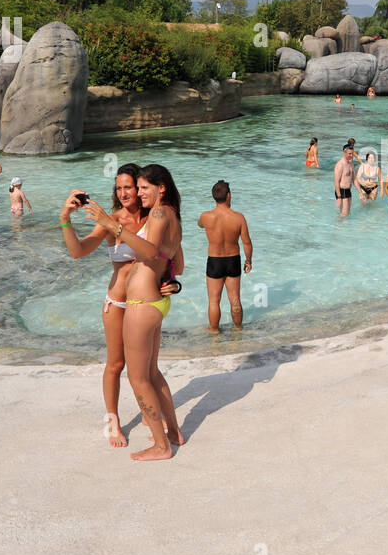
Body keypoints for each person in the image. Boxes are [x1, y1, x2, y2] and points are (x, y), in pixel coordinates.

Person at [60, 165, 179, 449]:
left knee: (149, 368)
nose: (125, 193)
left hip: (147, 302)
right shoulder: (111, 220)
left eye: (130, 187)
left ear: (140, 189)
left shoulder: (155, 216)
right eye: (119, 188)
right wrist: (65, 219)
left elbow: (171, 256)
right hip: (118, 302)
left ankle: (157, 419)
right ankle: (112, 419)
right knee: (116, 363)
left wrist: (173, 283)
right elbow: (78, 252)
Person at [196, 180, 253, 332]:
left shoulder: (206, 216)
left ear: (214, 197)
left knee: (214, 301)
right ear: (228, 195)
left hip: (214, 261)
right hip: (233, 259)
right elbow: (247, 242)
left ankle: (214, 331)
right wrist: (248, 260)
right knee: (235, 299)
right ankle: (238, 329)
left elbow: (199, 224)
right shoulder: (239, 217)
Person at [333, 145, 356, 216]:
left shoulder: (350, 164)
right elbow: (336, 182)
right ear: (344, 153)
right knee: (344, 215)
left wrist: (361, 192)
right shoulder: (340, 165)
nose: (351, 155)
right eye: (349, 153)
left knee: (347, 214)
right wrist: (339, 197)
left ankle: (342, 226)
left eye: (352, 153)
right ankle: (337, 226)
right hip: (341, 191)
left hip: (348, 191)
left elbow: (354, 179)